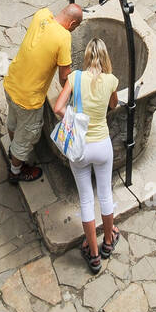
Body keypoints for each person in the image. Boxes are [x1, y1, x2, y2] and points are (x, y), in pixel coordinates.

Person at [54, 38, 119, 273]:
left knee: (85, 200)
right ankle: (108, 242)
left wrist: (74, 120)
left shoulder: (74, 78)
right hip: (102, 145)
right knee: (105, 193)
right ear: (105, 57)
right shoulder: (111, 81)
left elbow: (58, 107)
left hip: (79, 149)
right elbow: (114, 105)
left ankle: (93, 254)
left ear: (87, 57)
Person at [3, 3, 83, 183]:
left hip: (11, 82)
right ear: (71, 25)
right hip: (28, 99)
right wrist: (74, 89)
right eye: (75, 28)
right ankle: (16, 172)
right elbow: (64, 76)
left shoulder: (42, 14)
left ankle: (13, 149)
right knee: (27, 136)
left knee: (13, 120)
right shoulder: (64, 38)